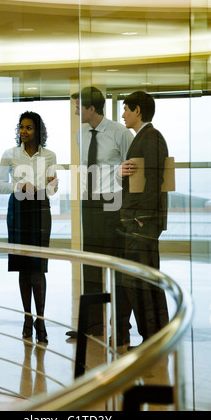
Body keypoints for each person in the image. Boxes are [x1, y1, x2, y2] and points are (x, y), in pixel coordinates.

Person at [67, 87, 134, 340]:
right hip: (90, 202)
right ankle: (93, 326)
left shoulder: (120, 133)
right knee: (91, 265)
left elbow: (131, 170)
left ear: (91, 108)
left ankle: (120, 329)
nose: (75, 111)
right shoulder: (81, 133)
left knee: (116, 265)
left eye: (78, 107)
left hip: (113, 203)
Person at [0, 111, 57, 344]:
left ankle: (40, 320)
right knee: (23, 267)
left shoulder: (49, 155)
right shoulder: (9, 154)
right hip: (19, 210)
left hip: (41, 207)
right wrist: (19, 185)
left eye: (29, 128)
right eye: (21, 127)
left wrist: (53, 184)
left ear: (38, 131)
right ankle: (27, 318)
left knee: (38, 267)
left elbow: (51, 190)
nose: (23, 131)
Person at [119, 90, 169, 345]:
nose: (123, 114)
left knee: (140, 280)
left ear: (138, 110)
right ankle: (156, 334)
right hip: (139, 220)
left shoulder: (151, 137)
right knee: (145, 277)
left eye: (126, 109)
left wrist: (141, 217)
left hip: (142, 222)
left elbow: (155, 180)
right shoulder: (143, 137)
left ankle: (152, 335)